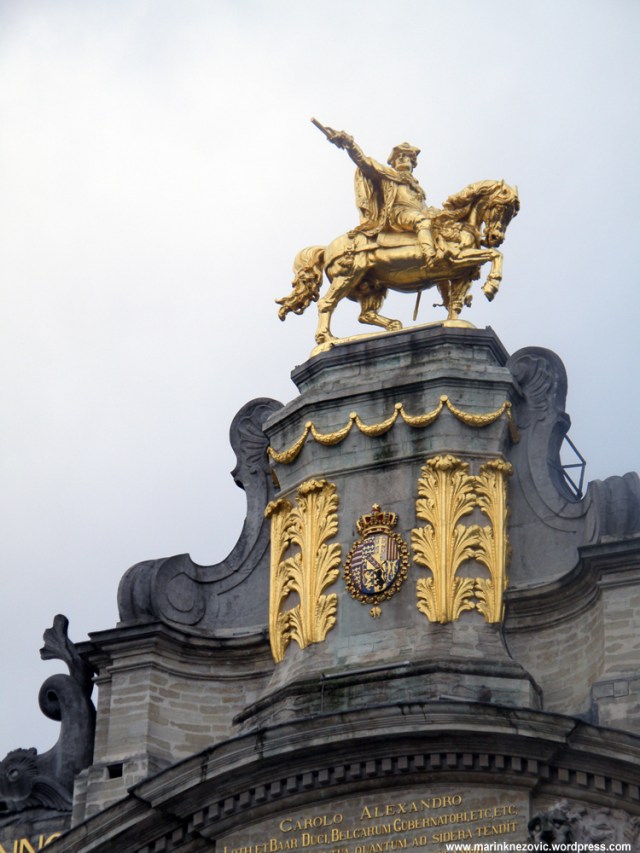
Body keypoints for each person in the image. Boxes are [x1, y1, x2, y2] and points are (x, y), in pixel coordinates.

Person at [320, 125, 438, 266]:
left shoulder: (417, 187)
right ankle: (430, 255)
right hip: (397, 214)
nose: (401, 158)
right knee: (422, 221)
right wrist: (348, 143)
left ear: (412, 162)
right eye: (397, 156)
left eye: (405, 156)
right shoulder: (388, 175)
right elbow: (364, 162)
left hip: (414, 214)